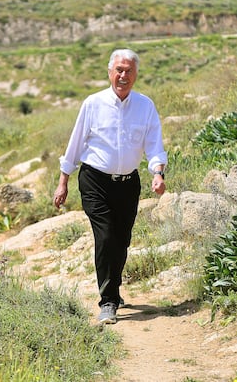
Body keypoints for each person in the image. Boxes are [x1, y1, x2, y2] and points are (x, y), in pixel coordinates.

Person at [53, 48, 167, 325]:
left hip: (128, 183)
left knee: (122, 240)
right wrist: (63, 181)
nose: (123, 75)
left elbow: (154, 145)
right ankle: (108, 302)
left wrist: (158, 173)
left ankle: (112, 287)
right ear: (109, 72)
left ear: (136, 74)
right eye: (119, 70)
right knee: (105, 237)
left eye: (128, 70)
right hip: (95, 181)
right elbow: (75, 142)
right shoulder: (93, 103)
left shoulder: (145, 106)